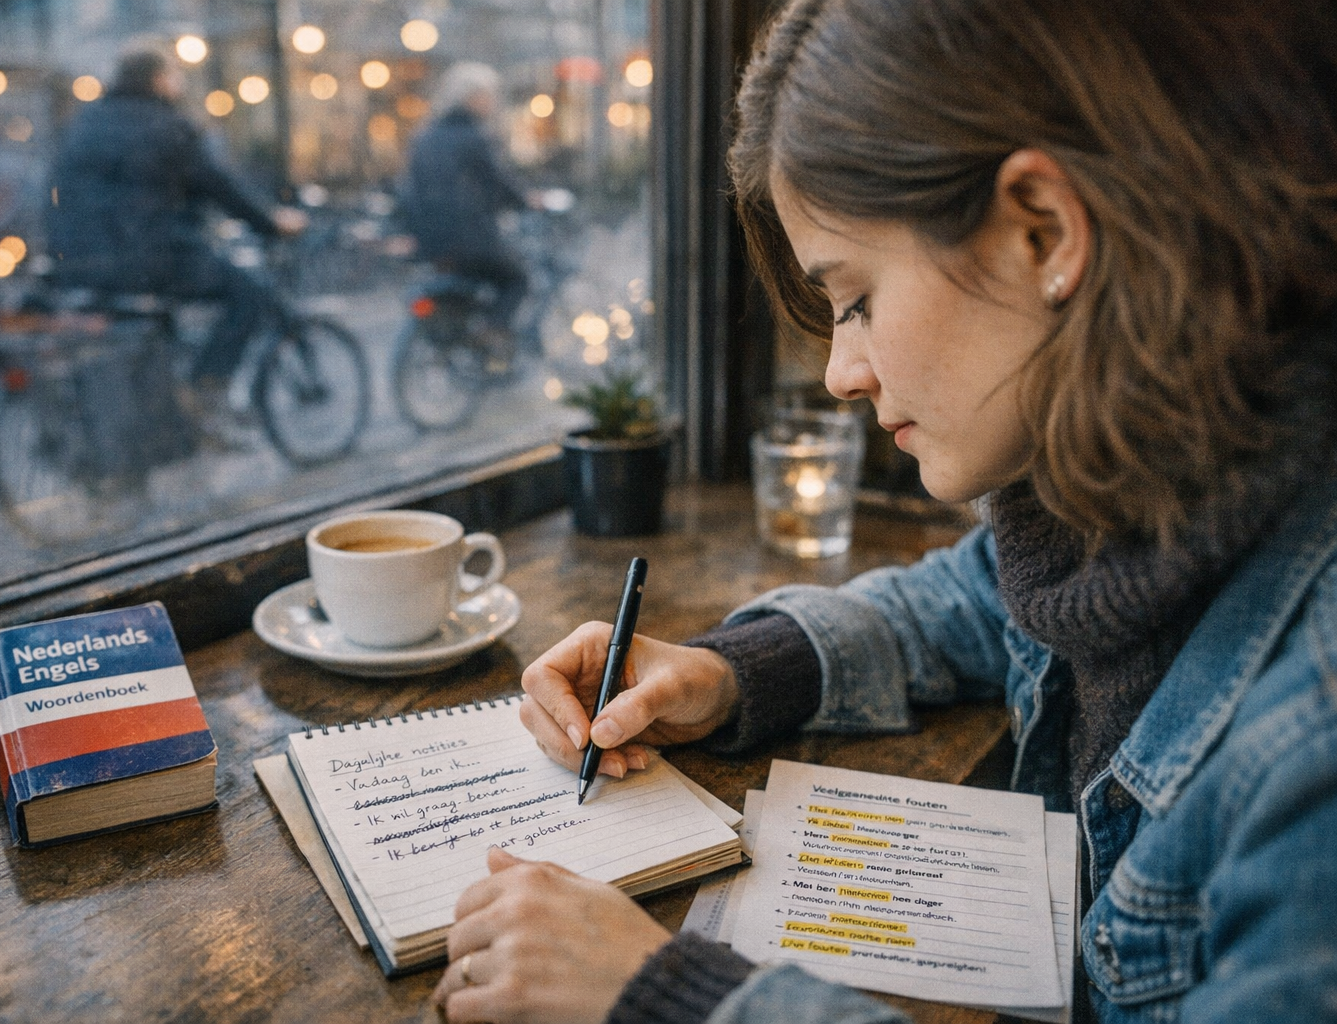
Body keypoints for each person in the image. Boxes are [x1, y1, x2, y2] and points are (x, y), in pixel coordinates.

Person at [430, 1, 1337, 1022]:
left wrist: (665, 995)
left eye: (854, 298)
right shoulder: (1164, 478)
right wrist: (730, 671)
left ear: (1042, 229)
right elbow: (987, 597)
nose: (838, 373)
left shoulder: (1316, 729)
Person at [46, 44, 306, 408]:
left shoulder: (84, 122)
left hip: (75, 262)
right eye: (174, 75)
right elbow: (220, 187)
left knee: (160, 318)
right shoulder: (166, 125)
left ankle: (168, 404)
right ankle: (204, 389)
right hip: (143, 259)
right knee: (249, 294)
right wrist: (272, 224)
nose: (179, 83)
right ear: (158, 79)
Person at [399, 62, 534, 358]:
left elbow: (410, 191)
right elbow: (497, 184)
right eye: (487, 95)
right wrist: (527, 201)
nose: (491, 102)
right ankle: (491, 332)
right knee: (518, 278)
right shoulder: (475, 137)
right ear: (471, 97)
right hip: (471, 241)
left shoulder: (424, 137)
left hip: (431, 244)